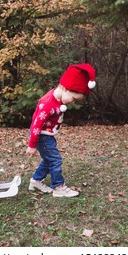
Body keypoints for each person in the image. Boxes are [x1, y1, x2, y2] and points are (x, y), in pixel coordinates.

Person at [26, 63, 96, 197]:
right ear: (65, 88)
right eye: (74, 98)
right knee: (55, 160)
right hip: (41, 136)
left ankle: (36, 181)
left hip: (47, 135)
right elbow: (36, 125)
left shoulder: (58, 99)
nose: (72, 101)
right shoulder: (48, 104)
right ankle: (58, 187)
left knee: (49, 159)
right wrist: (32, 145)